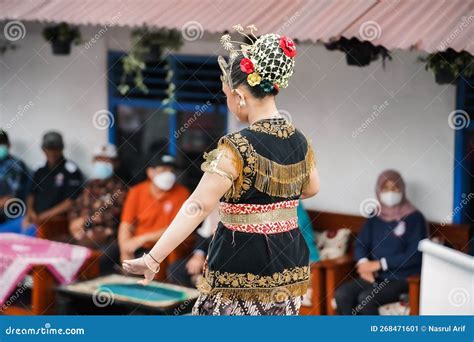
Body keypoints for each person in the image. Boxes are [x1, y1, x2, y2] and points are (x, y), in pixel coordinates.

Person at [123, 26, 320, 316]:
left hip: (242, 264)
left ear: (240, 96)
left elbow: (198, 205)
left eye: (227, 95)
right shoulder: (299, 140)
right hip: (289, 263)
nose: (229, 102)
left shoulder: (236, 147)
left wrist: (154, 257)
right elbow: (311, 188)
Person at [334, 170, 427, 315]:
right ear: (379, 190)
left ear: (402, 189)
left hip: (402, 278)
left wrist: (380, 264)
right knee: (342, 294)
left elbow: (415, 255)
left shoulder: (414, 218)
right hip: (374, 275)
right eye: (386, 188)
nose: (391, 192)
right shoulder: (375, 215)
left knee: (365, 299)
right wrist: (363, 264)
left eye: (395, 187)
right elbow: (360, 244)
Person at [1, 131, 84, 236]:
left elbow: (70, 202)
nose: (52, 153)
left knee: (26, 239)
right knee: (3, 234)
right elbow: (31, 194)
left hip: (54, 220)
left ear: (61, 149)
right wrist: (30, 213)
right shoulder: (39, 169)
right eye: (49, 149)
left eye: (55, 149)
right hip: (32, 218)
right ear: (43, 149)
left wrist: (41, 217)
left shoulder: (71, 170)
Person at [117, 152, 190, 264]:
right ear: (150, 172)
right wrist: (124, 250)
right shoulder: (137, 191)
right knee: (107, 258)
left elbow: (175, 229)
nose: (168, 174)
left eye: (171, 170)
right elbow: (125, 224)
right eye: (163, 170)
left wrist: (142, 239)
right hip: (136, 245)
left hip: (163, 246)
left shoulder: (182, 193)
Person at [68, 144, 127, 272]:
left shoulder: (121, 189)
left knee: (94, 258)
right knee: (58, 247)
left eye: (107, 160)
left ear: (115, 163)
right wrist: (74, 222)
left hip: (109, 239)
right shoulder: (89, 186)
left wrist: (85, 219)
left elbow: (113, 217)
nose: (102, 164)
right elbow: (75, 208)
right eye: (99, 160)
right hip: (82, 234)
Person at [0, 130, 31, 233]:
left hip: (11, 218)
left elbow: (9, 198)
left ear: (8, 145)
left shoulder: (15, 166)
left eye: (1, 143)